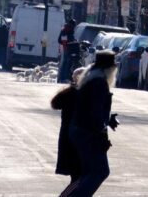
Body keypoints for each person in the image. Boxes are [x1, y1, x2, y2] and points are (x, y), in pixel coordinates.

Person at [61, 51, 119, 197]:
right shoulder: (99, 82)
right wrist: (101, 131)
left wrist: (108, 119)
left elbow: (90, 107)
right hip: (88, 132)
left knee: (90, 172)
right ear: (109, 68)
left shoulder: (90, 78)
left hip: (80, 130)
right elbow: (95, 111)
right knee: (100, 171)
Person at [51, 67, 85, 186]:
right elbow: (55, 104)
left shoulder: (73, 92)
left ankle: (73, 192)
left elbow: (55, 104)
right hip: (72, 136)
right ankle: (69, 193)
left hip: (70, 135)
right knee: (77, 174)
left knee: (78, 174)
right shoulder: (76, 93)